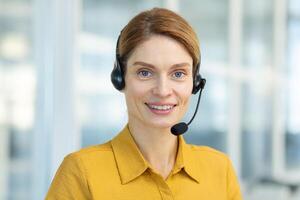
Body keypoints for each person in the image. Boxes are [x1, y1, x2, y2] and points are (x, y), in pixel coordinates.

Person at [46, 7, 242, 200]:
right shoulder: (82, 172)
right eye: (145, 73)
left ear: (195, 82)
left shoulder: (219, 169)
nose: (163, 90)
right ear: (120, 78)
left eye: (178, 74)